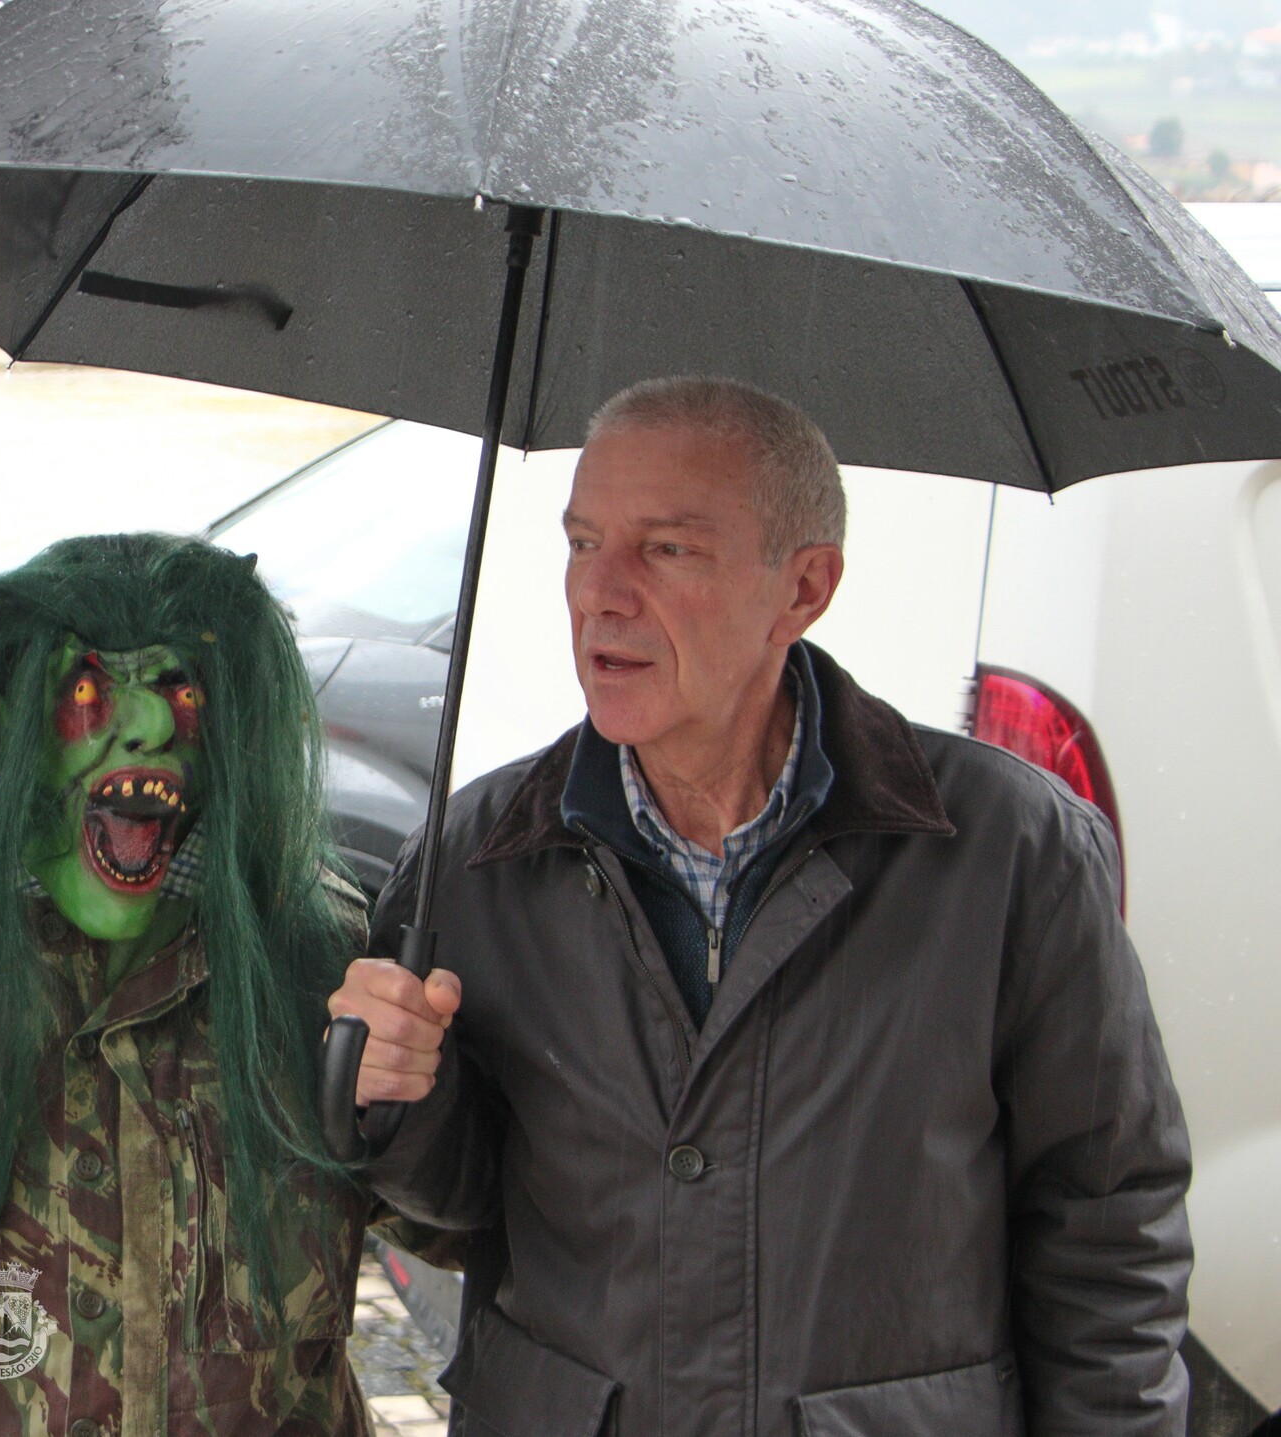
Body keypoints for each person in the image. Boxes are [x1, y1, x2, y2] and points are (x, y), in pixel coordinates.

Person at [328, 377, 1192, 1437]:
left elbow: (1106, 1235)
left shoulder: (1012, 852)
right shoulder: (480, 855)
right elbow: (465, 1208)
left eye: (666, 549)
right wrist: (397, 1097)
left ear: (803, 589)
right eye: (583, 541)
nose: (601, 592)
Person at [0, 532, 392, 1436]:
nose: (148, 724)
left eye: (181, 689)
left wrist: (425, 1096)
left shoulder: (322, 962)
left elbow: (467, 1220)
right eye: (85, 690)